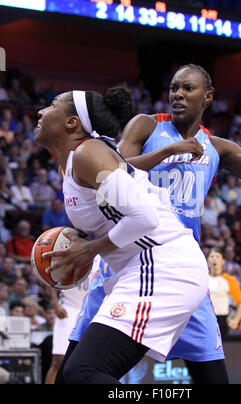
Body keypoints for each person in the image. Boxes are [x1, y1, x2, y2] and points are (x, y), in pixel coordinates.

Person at [117, 64, 241, 382]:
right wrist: (170, 150)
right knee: (81, 366)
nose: (177, 94)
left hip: (183, 271)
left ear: (207, 97)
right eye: (173, 88)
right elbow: (112, 172)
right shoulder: (146, 126)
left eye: (187, 88)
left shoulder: (218, 148)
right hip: (132, 265)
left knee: (213, 377)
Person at [34, 87, 209, 384]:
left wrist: (89, 249)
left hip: (163, 265)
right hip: (142, 269)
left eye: (52, 105)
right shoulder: (79, 160)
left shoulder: (88, 153)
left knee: (82, 372)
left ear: (71, 123)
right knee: (74, 374)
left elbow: (143, 217)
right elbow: (124, 183)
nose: (41, 112)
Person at [44, 255, 101, 384]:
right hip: (68, 309)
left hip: (90, 310)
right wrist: (56, 304)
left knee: (88, 362)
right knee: (58, 360)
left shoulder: (101, 257)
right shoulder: (73, 252)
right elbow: (51, 278)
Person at [207, 248, 241, 338]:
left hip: (222, 320)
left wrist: (235, 320)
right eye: (211, 257)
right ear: (207, 260)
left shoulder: (229, 280)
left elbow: (240, 304)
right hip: (205, 318)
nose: (214, 259)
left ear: (223, 261)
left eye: (217, 257)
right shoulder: (203, 279)